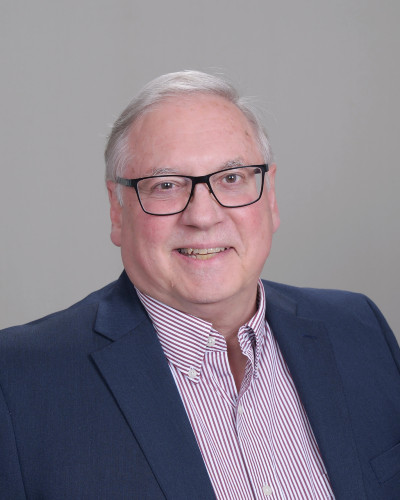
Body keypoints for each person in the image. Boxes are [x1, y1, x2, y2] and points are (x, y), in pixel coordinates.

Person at [0, 71, 399, 500]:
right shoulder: (19, 380)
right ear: (117, 211)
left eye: (232, 178)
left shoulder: (359, 329)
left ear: (270, 197)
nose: (203, 217)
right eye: (166, 186)